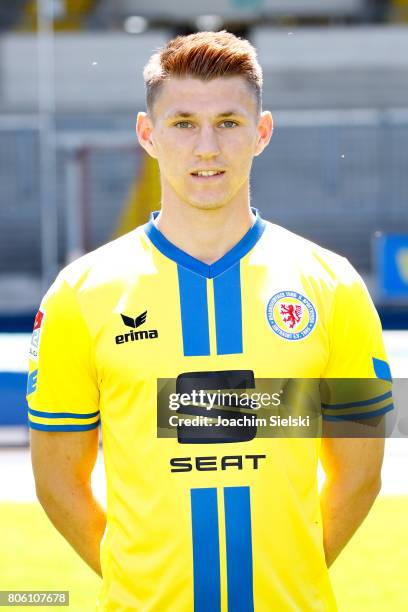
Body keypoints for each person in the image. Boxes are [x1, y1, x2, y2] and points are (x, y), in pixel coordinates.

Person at [27, 31, 393, 611]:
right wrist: (140, 587)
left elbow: (360, 472)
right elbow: (56, 482)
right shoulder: (82, 294)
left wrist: (290, 580)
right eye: (182, 123)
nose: (207, 148)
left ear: (262, 132)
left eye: (228, 122)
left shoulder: (332, 285)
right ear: (148, 134)